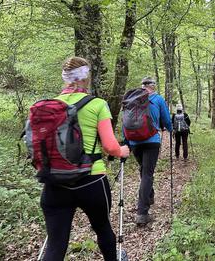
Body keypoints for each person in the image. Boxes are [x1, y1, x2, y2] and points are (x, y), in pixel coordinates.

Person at [40, 57, 129, 261]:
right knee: (103, 230)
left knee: (55, 244)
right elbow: (109, 146)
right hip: (91, 180)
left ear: (65, 78)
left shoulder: (49, 106)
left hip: (55, 182)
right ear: (86, 77)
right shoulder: (97, 105)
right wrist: (122, 151)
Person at [124, 77, 172, 226]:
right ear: (153, 86)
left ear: (142, 86)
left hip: (134, 142)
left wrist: (126, 141)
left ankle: (149, 196)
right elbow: (166, 119)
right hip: (151, 141)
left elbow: (125, 119)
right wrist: (171, 130)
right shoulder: (157, 98)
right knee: (147, 174)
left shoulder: (132, 98)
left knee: (144, 170)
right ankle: (142, 213)